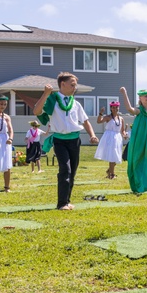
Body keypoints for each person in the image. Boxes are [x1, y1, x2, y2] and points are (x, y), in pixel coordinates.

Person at [33, 73, 99, 210]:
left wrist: (92, 135)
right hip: (60, 140)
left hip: (75, 140)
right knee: (65, 169)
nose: (75, 87)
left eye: (75, 85)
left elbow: (85, 121)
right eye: (72, 84)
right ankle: (61, 203)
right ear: (63, 84)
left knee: (72, 171)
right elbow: (37, 111)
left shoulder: (75, 103)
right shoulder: (52, 101)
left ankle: (67, 201)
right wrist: (45, 94)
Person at [94, 101, 125, 180]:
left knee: (117, 155)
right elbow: (98, 121)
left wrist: (124, 135)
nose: (115, 109)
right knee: (112, 155)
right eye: (113, 107)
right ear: (111, 108)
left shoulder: (121, 118)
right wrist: (100, 113)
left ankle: (109, 170)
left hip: (118, 138)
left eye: (116, 107)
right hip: (109, 137)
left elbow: (122, 130)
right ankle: (111, 174)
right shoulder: (108, 117)